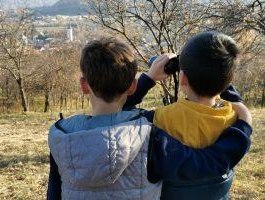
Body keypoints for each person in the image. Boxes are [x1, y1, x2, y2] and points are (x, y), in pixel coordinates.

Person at [47, 37, 252, 200]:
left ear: (84, 85)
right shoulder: (148, 135)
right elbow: (208, 164)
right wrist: (243, 124)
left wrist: (148, 79)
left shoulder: (61, 135)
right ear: (132, 87)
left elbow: (54, 192)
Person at [124, 32, 252, 199]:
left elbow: (121, 109)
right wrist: (213, 70)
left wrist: (149, 77)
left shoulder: (160, 120)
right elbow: (229, 92)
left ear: (182, 79)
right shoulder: (235, 118)